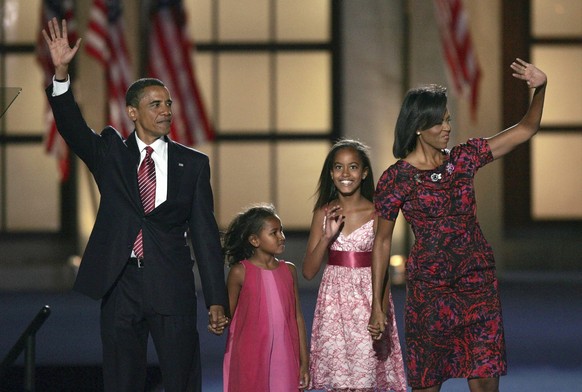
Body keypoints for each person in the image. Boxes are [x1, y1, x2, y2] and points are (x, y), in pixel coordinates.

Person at [42, 18, 229, 391]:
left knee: (181, 379)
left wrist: (215, 299)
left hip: (171, 283)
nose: (165, 111)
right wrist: (61, 73)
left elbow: (206, 235)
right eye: (155, 104)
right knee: (121, 379)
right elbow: (72, 127)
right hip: (121, 282)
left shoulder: (192, 164)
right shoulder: (110, 154)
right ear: (132, 112)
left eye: (168, 104)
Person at [368, 58, 547, 392]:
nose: (448, 127)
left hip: (476, 286)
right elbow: (381, 243)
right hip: (430, 294)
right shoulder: (397, 178)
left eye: (449, 119)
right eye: (440, 122)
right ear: (419, 126)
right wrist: (377, 305)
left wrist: (541, 88)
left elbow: (526, 129)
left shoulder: (465, 158)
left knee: (484, 381)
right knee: (427, 383)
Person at [303, 139, 407, 392]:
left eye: (352, 167)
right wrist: (327, 236)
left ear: (364, 173)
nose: (345, 174)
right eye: (338, 167)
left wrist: (380, 309)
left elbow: (381, 268)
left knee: (364, 379)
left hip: (367, 300)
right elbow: (308, 271)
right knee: (339, 382)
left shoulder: (378, 212)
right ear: (331, 173)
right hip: (333, 304)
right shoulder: (323, 212)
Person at [222, 204, 310, 391]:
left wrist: (304, 361)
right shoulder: (240, 272)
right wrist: (217, 320)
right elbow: (227, 316)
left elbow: (297, 317)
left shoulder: (289, 270)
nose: (282, 237)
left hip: (285, 353)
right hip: (250, 353)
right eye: (274, 233)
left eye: (282, 231)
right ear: (254, 240)